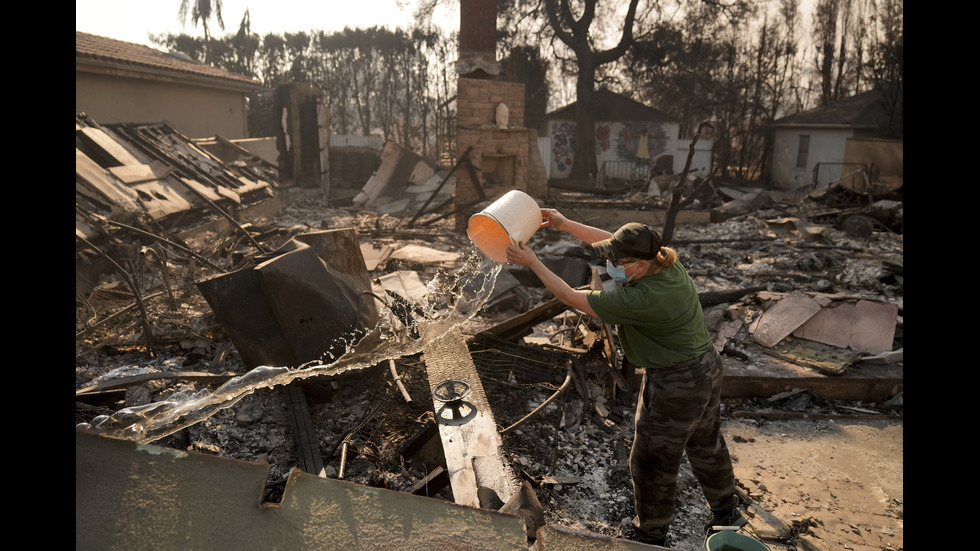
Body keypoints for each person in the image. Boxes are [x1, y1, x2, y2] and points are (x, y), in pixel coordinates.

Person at [505, 209, 745, 547]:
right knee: (706, 444)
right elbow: (609, 242)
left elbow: (571, 298)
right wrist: (564, 224)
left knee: (652, 460)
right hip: (705, 367)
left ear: (641, 265)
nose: (613, 266)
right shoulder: (666, 262)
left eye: (620, 261)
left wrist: (533, 262)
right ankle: (727, 515)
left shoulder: (642, 298)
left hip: (676, 382)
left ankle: (650, 535)